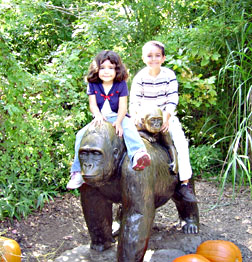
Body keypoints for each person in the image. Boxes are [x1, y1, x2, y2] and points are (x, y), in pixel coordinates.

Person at [67, 50, 151, 189]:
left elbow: (123, 106)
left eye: (111, 68)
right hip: (101, 118)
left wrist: (118, 122)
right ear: (96, 69)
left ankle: (138, 153)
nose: (107, 71)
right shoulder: (93, 84)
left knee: (129, 128)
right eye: (103, 68)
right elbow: (93, 105)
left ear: (117, 70)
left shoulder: (121, 84)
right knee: (80, 135)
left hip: (118, 116)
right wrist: (98, 116)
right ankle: (77, 171)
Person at [129, 40, 197, 202]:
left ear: (163, 58)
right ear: (143, 58)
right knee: (127, 139)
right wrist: (136, 117)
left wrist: (166, 119)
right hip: (144, 118)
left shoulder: (168, 75)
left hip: (165, 116)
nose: (153, 59)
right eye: (149, 56)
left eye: (157, 55)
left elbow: (172, 99)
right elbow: (134, 102)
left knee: (180, 142)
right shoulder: (140, 77)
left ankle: (184, 183)